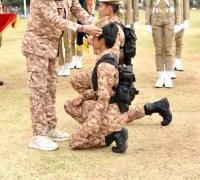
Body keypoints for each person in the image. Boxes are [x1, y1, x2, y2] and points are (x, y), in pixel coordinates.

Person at [22, 0, 102, 151]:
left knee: (50, 88)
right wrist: (82, 28)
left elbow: (77, 9)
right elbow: (52, 18)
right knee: (38, 90)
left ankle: (50, 128)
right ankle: (38, 135)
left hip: (52, 46)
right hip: (37, 45)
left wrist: (93, 21)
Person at [65, 23, 172, 152]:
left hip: (111, 109)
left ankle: (111, 135)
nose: (91, 40)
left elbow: (102, 104)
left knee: (74, 142)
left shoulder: (105, 65)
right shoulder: (108, 54)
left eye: (94, 38)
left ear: (103, 41)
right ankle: (155, 107)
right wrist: (83, 97)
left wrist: (86, 130)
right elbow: (101, 92)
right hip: (115, 106)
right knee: (70, 105)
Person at [145, 0, 182, 88]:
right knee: (159, 49)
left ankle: (168, 74)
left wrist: (179, 22)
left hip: (169, 18)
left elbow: (178, 5)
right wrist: (147, 23)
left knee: (169, 48)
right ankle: (160, 74)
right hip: (155, 18)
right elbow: (148, 5)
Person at [57, 0, 83, 76]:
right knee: (59, 43)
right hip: (59, 18)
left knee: (73, 40)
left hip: (74, 16)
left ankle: (74, 60)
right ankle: (61, 64)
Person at [170, 0, 190, 71]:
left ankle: (177, 61)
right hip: (169, 19)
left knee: (179, 41)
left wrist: (186, 20)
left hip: (180, 20)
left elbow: (185, 6)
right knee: (170, 43)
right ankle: (171, 62)